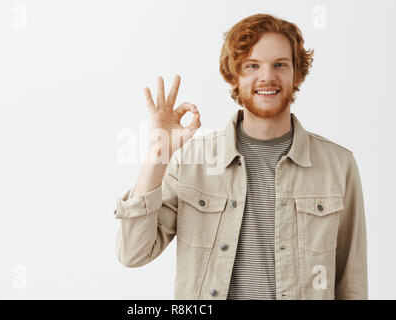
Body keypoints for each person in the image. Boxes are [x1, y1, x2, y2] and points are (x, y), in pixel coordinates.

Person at [113, 13, 368, 300]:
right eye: (252, 66)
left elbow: (352, 282)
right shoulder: (191, 162)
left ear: (297, 73)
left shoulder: (339, 165)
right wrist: (158, 155)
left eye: (280, 64)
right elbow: (133, 253)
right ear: (234, 75)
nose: (267, 76)